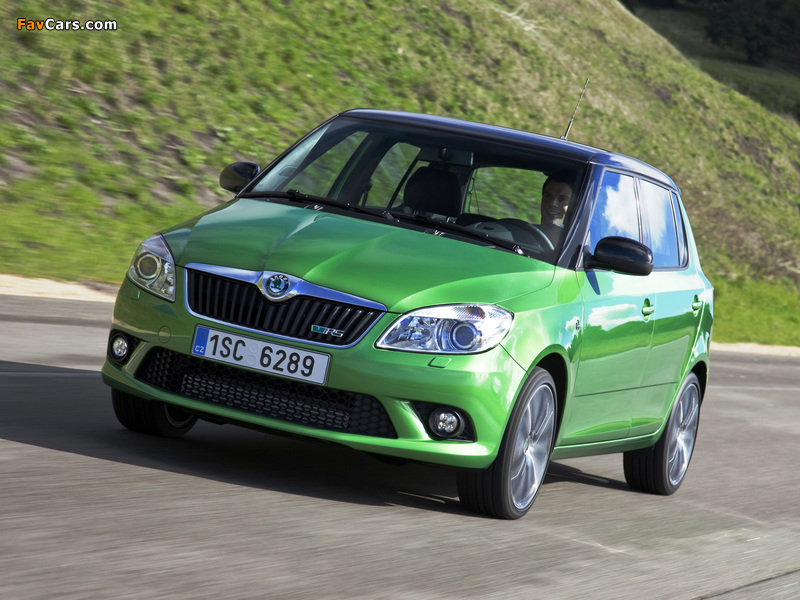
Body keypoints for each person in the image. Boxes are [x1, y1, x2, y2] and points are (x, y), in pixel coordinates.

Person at [538, 173, 572, 245]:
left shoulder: (574, 249)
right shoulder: (519, 234)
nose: (553, 204)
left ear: (573, 206)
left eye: (562, 199)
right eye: (548, 196)